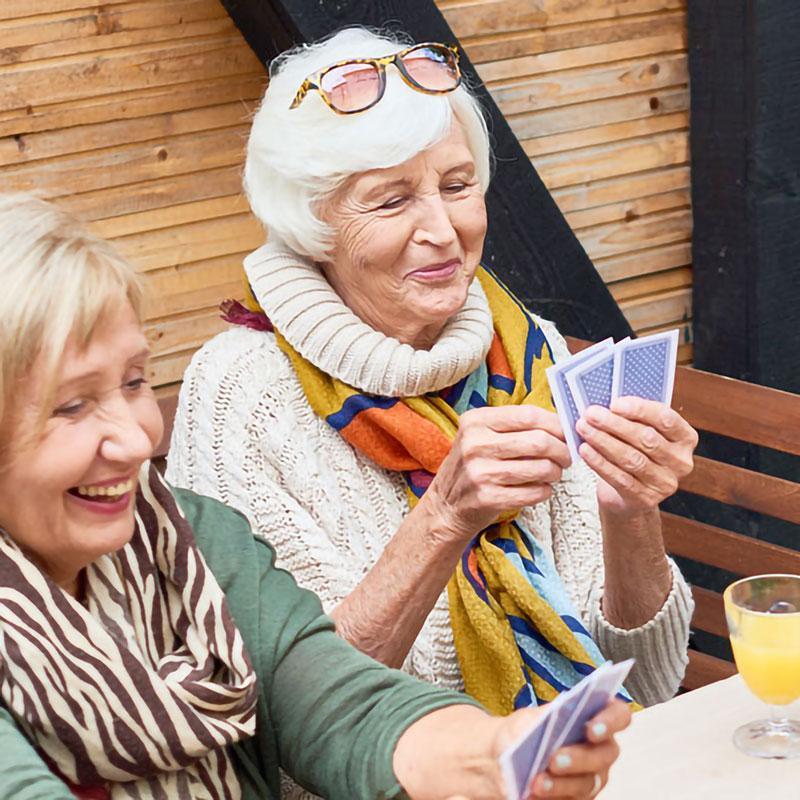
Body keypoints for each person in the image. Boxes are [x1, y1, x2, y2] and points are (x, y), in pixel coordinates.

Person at [0, 193, 630, 800]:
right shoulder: (247, 390)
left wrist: (496, 753)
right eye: (74, 405)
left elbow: (326, 694)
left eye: (135, 382)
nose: (138, 439)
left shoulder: (188, 536)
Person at [169, 25, 695, 730]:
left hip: (586, 756)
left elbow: (652, 679)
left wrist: (631, 513)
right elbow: (295, 724)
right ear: (311, 223)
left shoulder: (526, 345)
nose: (443, 230)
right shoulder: (241, 392)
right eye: (391, 201)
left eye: (456, 186)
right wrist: (445, 517)